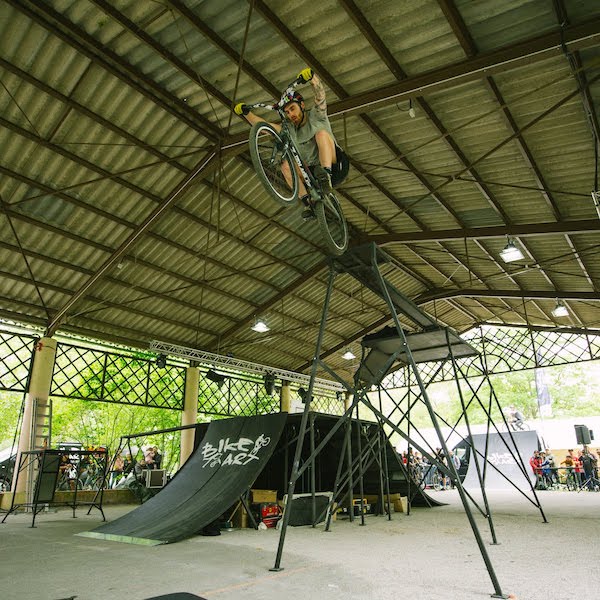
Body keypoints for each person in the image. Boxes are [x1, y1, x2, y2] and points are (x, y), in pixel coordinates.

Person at [234, 68, 350, 219]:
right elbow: (264, 127)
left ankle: (326, 175)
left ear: (302, 105)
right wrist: (246, 113)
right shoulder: (288, 129)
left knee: (321, 134)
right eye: (287, 113)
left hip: (336, 166)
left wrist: (313, 78)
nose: (291, 115)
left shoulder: (316, 116)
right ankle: (308, 203)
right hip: (313, 172)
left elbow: (320, 95)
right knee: (285, 166)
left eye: (292, 109)